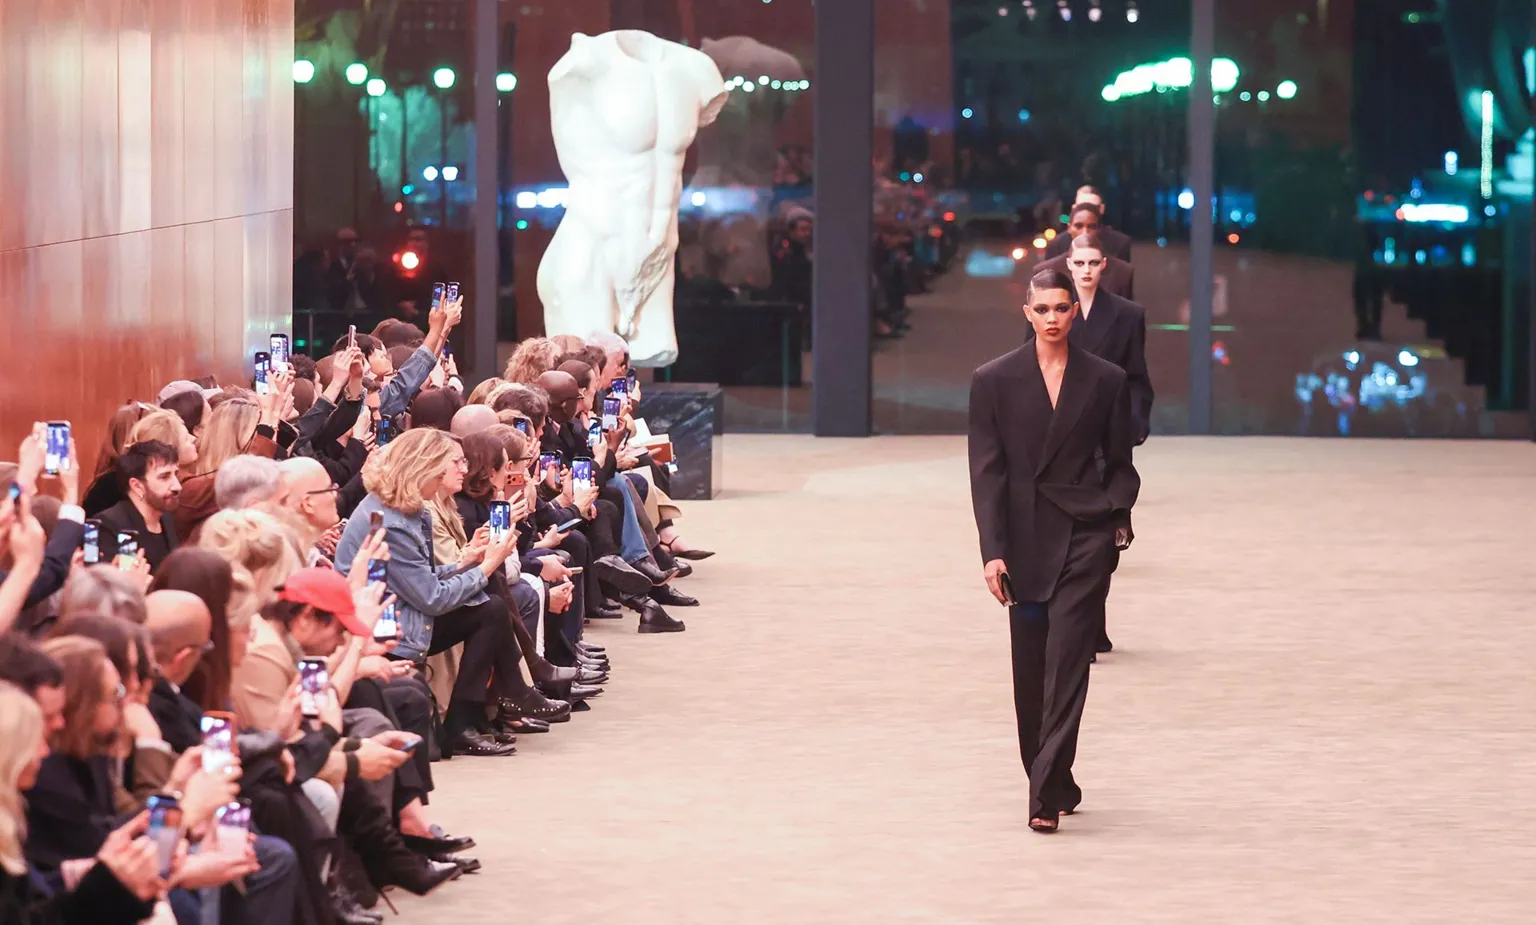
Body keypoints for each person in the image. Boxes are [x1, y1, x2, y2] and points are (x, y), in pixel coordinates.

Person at [967, 267, 1139, 833]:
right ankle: (1054, 777)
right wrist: (992, 550)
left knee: (1068, 664)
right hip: (1022, 542)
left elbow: (1120, 463)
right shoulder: (993, 379)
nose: (1052, 318)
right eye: (1042, 309)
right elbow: (986, 473)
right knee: (1030, 670)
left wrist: (1115, 515)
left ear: (1073, 311)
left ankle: (1042, 797)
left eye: (1062, 308)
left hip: (1085, 535)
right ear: (1028, 313)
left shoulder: (1106, 379)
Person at [1026, 232, 1154, 656]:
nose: (1084, 270)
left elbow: (1137, 374)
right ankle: (1076, 625)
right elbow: (1031, 363)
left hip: (1109, 426)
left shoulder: (1128, 314)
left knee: (1106, 531)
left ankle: (1089, 619)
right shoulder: (1050, 311)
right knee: (1064, 527)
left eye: (1092, 263)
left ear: (1104, 266)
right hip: (1062, 431)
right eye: (1077, 264)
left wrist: (1136, 420)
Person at [96, 440, 182, 573]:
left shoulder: (168, 519)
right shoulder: (109, 525)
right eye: (164, 477)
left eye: (176, 474)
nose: (177, 486)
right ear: (137, 486)